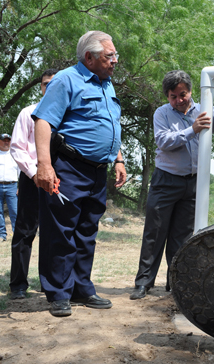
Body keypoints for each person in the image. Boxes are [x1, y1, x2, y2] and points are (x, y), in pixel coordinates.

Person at [130, 70, 214, 300]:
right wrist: (192, 130)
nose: (179, 100)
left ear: (191, 91)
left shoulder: (205, 111)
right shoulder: (161, 114)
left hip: (194, 183)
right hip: (165, 180)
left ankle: (177, 283)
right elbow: (164, 141)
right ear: (167, 97)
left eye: (183, 94)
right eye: (173, 96)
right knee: (155, 233)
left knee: (182, 238)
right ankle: (143, 283)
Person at [32, 31, 126, 317]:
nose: (115, 61)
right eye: (109, 56)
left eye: (115, 56)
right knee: (61, 230)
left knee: (87, 231)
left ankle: (81, 288)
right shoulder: (65, 80)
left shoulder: (107, 84)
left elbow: (110, 123)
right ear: (89, 57)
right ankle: (59, 292)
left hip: (98, 172)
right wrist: (44, 165)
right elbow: (44, 122)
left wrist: (119, 159)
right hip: (69, 168)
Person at [8, 68, 58, 300]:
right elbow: (17, 147)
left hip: (59, 182)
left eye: (54, 83)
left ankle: (50, 283)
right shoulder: (28, 113)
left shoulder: (67, 115)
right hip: (31, 180)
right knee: (25, 232)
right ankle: (18, 284)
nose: (49, 87)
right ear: (40, 86)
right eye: (46, 83)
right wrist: (34, 173)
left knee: (55, 233)